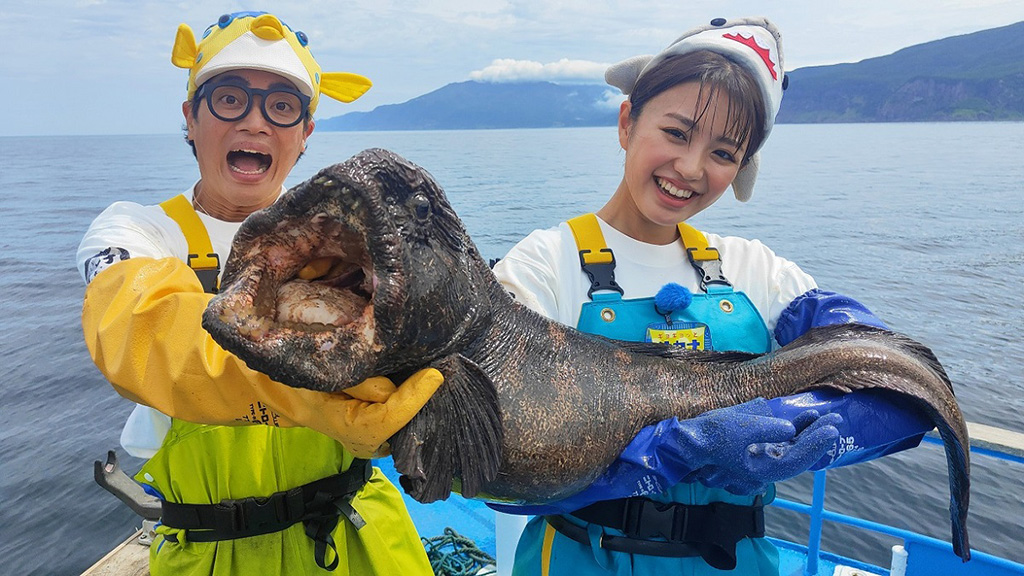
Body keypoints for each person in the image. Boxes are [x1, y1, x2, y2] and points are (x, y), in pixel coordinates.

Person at [490, 17, 933, 576]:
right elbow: (498, 459)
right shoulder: (540, 267)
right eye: (676, 133)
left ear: (742, 169)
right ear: (627, 121)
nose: (691, 167)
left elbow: (901, 385)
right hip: (579, 558)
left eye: (724, 153)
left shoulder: (757, 270)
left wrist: (794, 425)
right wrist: (675, 449)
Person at [78, 11, 439, 575]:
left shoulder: (357, 239)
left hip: (359, 535)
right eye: (228, 98)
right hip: (211, 552)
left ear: (305, 135)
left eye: (282, 106)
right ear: (190, 118)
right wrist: (305, 394)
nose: (254, 122)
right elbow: (140, 330)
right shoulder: (135, 232)